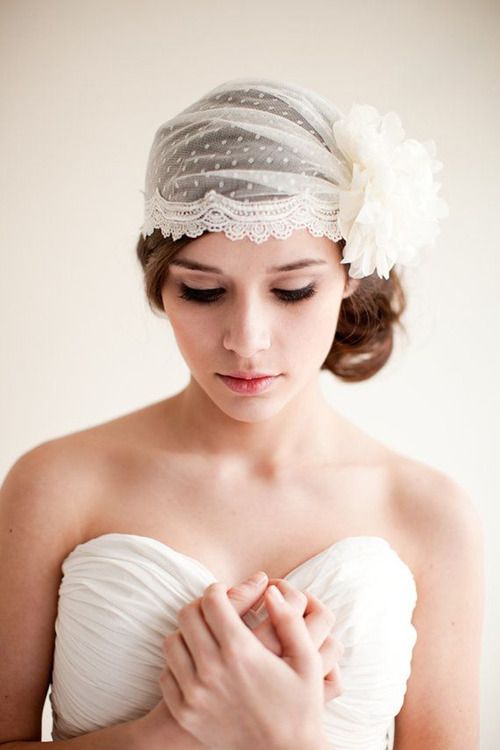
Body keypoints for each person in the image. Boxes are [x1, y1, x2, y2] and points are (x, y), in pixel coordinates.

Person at [0, 78, 483, 750]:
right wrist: (167, 736)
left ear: (349, 276)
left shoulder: (430, 516)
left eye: (292, 290)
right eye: (202, 291)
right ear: (160, 286)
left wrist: (288, 737)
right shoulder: (54, 483)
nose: (247, 339)